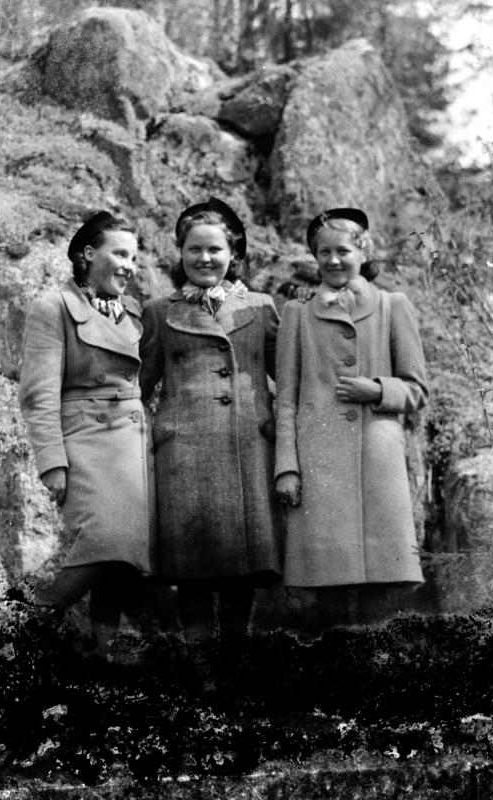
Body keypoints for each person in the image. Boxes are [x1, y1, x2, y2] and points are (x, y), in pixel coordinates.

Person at [139, 197, 282, 688]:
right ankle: (202, 677)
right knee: (193, 570)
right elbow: (138, 387)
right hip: (185, 455)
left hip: (247, 446)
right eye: (194, 249)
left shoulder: (261, 307)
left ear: (233, 253)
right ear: (180, 253)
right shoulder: (160, 311)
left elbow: (288, 380)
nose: (204, 258)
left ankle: (233, 670)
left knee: (242, 570)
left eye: (215, 249)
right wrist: (152, 435)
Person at [274, 208, 428, 628]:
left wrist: (377, 390)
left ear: (364, 251)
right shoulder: (297, 314)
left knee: (385, 591)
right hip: (319, 464)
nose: (333, 260)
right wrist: (287, 467)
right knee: (329, 592)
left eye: (343, 250)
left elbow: (417, 390)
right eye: (324, 252)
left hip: (379, 462)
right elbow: (285, 400)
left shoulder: (392, 306)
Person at [16, 210, 153, 652]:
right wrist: (52, 462)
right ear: (88, 254)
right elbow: (39, 394)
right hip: (85, 444)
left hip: (132, 446)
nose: (129, 266)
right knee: (104, 542)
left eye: (134, 258)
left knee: (121, 558)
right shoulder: (53, 307)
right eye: (120, 254)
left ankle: (102, 653)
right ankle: (12, 632)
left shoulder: (132, 313)